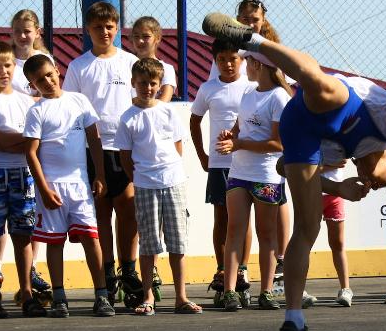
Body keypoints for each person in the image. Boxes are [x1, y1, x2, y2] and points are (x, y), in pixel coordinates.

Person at [202, 11, 386, 331]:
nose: (369, 182)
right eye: (379, 181)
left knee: (308, 227)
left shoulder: (337, 153)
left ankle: (293, 321)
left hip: (301, 127)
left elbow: (283, 165)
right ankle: (252, 40)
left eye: (371, 186)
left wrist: (337, 188)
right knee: (322, 85)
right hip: (339, 100)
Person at [22, 54, 115, 317]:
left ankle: (102, 295)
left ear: (57, 70)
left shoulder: (79, 101)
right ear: (32, 85)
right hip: (52, 188)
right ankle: (59, 297)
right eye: (39, 80)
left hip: (80, 186)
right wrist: (43, 189)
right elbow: (31, 153)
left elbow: (94, 139)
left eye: (49, 74)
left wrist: (100, 175)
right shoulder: (36, 111)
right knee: (55, 242)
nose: (47, 81)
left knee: (91, 238)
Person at [63, 1, 141, 304]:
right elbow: (71, 110)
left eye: (109, 26)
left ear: (117, 28)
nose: (104, 32)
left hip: (125, 148)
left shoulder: (130, 62)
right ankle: (107, 274)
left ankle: (129, 270)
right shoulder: (78, 66)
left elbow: (141, 104)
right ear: (88, 30)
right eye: (98, 27)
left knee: (128, 210)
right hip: (91, 149)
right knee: (101, 213)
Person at [115, 58, 201, 315]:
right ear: (133, 83)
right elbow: (125, 157)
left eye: (153, 83)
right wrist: (140, 178)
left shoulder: (168, 111)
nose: (148, 88)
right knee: (149, 243)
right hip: (145, 186)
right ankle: (148, 296)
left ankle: (181, 297)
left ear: (159, 84)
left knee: (177, 242)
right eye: (142, 83)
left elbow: (178, 146)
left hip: (174, 182)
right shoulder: (128, 118)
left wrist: (169, 171)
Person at [217, 51, 292, 312]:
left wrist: (239, 143)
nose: (243, 65)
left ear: (257, 64)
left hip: (266, 175)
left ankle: (266, 291)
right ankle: (229, 291)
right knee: (234, 230)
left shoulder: (279, 97)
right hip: (239, 173)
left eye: (247, 61)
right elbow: (239, 128)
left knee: (266, 234)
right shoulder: (248, 93)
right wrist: (230, 136)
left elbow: (277, 143)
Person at [0, 42, 45, 318]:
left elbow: (37, 141)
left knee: (23, 236)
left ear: (14, 67)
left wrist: (28, 143)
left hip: (23, 175)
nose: (3, 71)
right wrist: (28, 142)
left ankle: (27, 293)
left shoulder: (26, 101)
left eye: (7, 66)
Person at [190, 39, 252, 306]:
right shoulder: (208, 88)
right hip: (219, 164)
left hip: (246, 164)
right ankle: (222, 269)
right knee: (222, 218)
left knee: (243, 220)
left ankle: (242, 271)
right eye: (222, 59)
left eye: (233, 58)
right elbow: (194, 120)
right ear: (215, 61)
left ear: (242, 59)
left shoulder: (251, 87)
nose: (228, 63)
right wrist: (202, 155)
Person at [9, 10, 53, 298]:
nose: (23, 36)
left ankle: (32, 267)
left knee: (31, 209)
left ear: (37, 32)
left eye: (27, 31)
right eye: (18, 31)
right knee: (5, 212)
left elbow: (50, 96)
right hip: (8, 140)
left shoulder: (45, 61)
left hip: (36, 140)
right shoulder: (7, 62)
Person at [321, 164, 353, 307]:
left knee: (338, 244)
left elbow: (343, 160)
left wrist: (321, 167)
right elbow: (305, 166)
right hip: (311, 193)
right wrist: (330, 165)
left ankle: (346, 289)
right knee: (305, 242)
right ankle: (300, 290)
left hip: (336, 195)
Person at [130, 16, 177, 102]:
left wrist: (141, 107)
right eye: (136, 36)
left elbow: (164, 101)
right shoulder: (125, 64)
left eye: (146, 36)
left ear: (157, 38)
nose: (140, 41)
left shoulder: (166, 69)